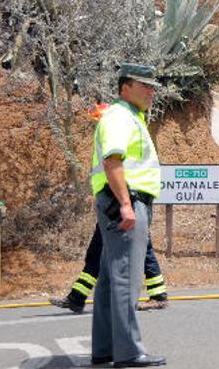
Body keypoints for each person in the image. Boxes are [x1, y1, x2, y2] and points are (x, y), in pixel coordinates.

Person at [51, 103, 168, 315]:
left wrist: (120, 200)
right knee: (102, 248)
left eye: (97, 118)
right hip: (116, 200)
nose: (96, 122)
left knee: (137, 247)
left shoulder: (114, 126)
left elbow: (114, 167)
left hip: (121, 199)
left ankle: (157, 295)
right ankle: (77, 296)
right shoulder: (113, 127)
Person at [89, 64, 166, 367]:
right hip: (126, 201)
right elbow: (112, 161)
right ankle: (129, 352)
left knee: (110, 279)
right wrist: (126, 204)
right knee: (126, 279)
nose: (151, 91)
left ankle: (105, 349)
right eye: (144, 85)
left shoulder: (126, 116)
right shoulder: (120, 117)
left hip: (120, 200)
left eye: (153, 86)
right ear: (125, 88)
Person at [49, 225, 168, 314]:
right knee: (96, 255)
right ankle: (77, 298)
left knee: (144, 253)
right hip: (115, 211)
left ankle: (158, 296)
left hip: (119, 211)